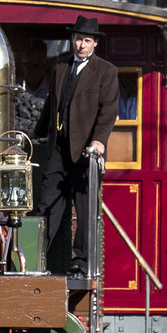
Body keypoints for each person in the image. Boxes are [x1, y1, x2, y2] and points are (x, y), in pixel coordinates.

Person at [34, 16, 119, 276]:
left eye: (87, 41)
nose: (81, 45)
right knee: (47, 205)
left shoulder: (106, 71)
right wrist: (36, 133)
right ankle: (36, 261)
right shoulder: (59, 66)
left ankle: (81, 263)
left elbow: (108, 110)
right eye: (78, 39)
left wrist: (98, 141)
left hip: (86, 152)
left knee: (85, 211)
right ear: (72, 40)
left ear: (95, 44)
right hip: (59, 148)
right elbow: (52, 104)